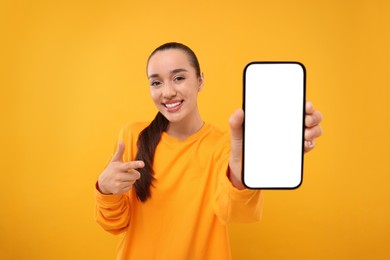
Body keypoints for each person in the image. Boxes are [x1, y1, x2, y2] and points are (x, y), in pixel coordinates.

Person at [95, 42, 323, 259]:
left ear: (200, 80)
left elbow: (234, 212)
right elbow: (115, 224)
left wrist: (243, 171)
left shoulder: (225, 145)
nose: (167, 92)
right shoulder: (133, 137)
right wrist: (105, 190)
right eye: (156, 83)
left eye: (179, 78)